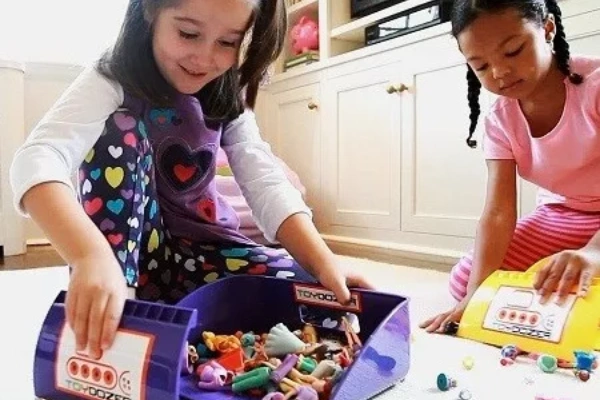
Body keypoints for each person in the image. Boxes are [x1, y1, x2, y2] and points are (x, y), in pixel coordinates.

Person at [10, 0, 373, 359]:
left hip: (206, 257)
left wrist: (323, 262)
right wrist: (90, 256)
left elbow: (265, 181)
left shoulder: (228, 90)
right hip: (132, 261)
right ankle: (125, 316)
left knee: (315, 294)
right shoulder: (112, 76)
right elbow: (39, 157)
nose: (204, 58)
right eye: (188, 33)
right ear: (150, 11)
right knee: (117, 130)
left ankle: (184, 313)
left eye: (228, 42)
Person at [420, 0, 600, 333]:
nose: (500, 73)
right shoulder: (501, 119)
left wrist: (595, 252)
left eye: (514, 51)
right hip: (560, 215)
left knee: (581, 276)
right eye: (481, 66)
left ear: (547, 29)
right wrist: (475, 294)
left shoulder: (595, 86)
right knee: (467, 283)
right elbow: (499, 211)